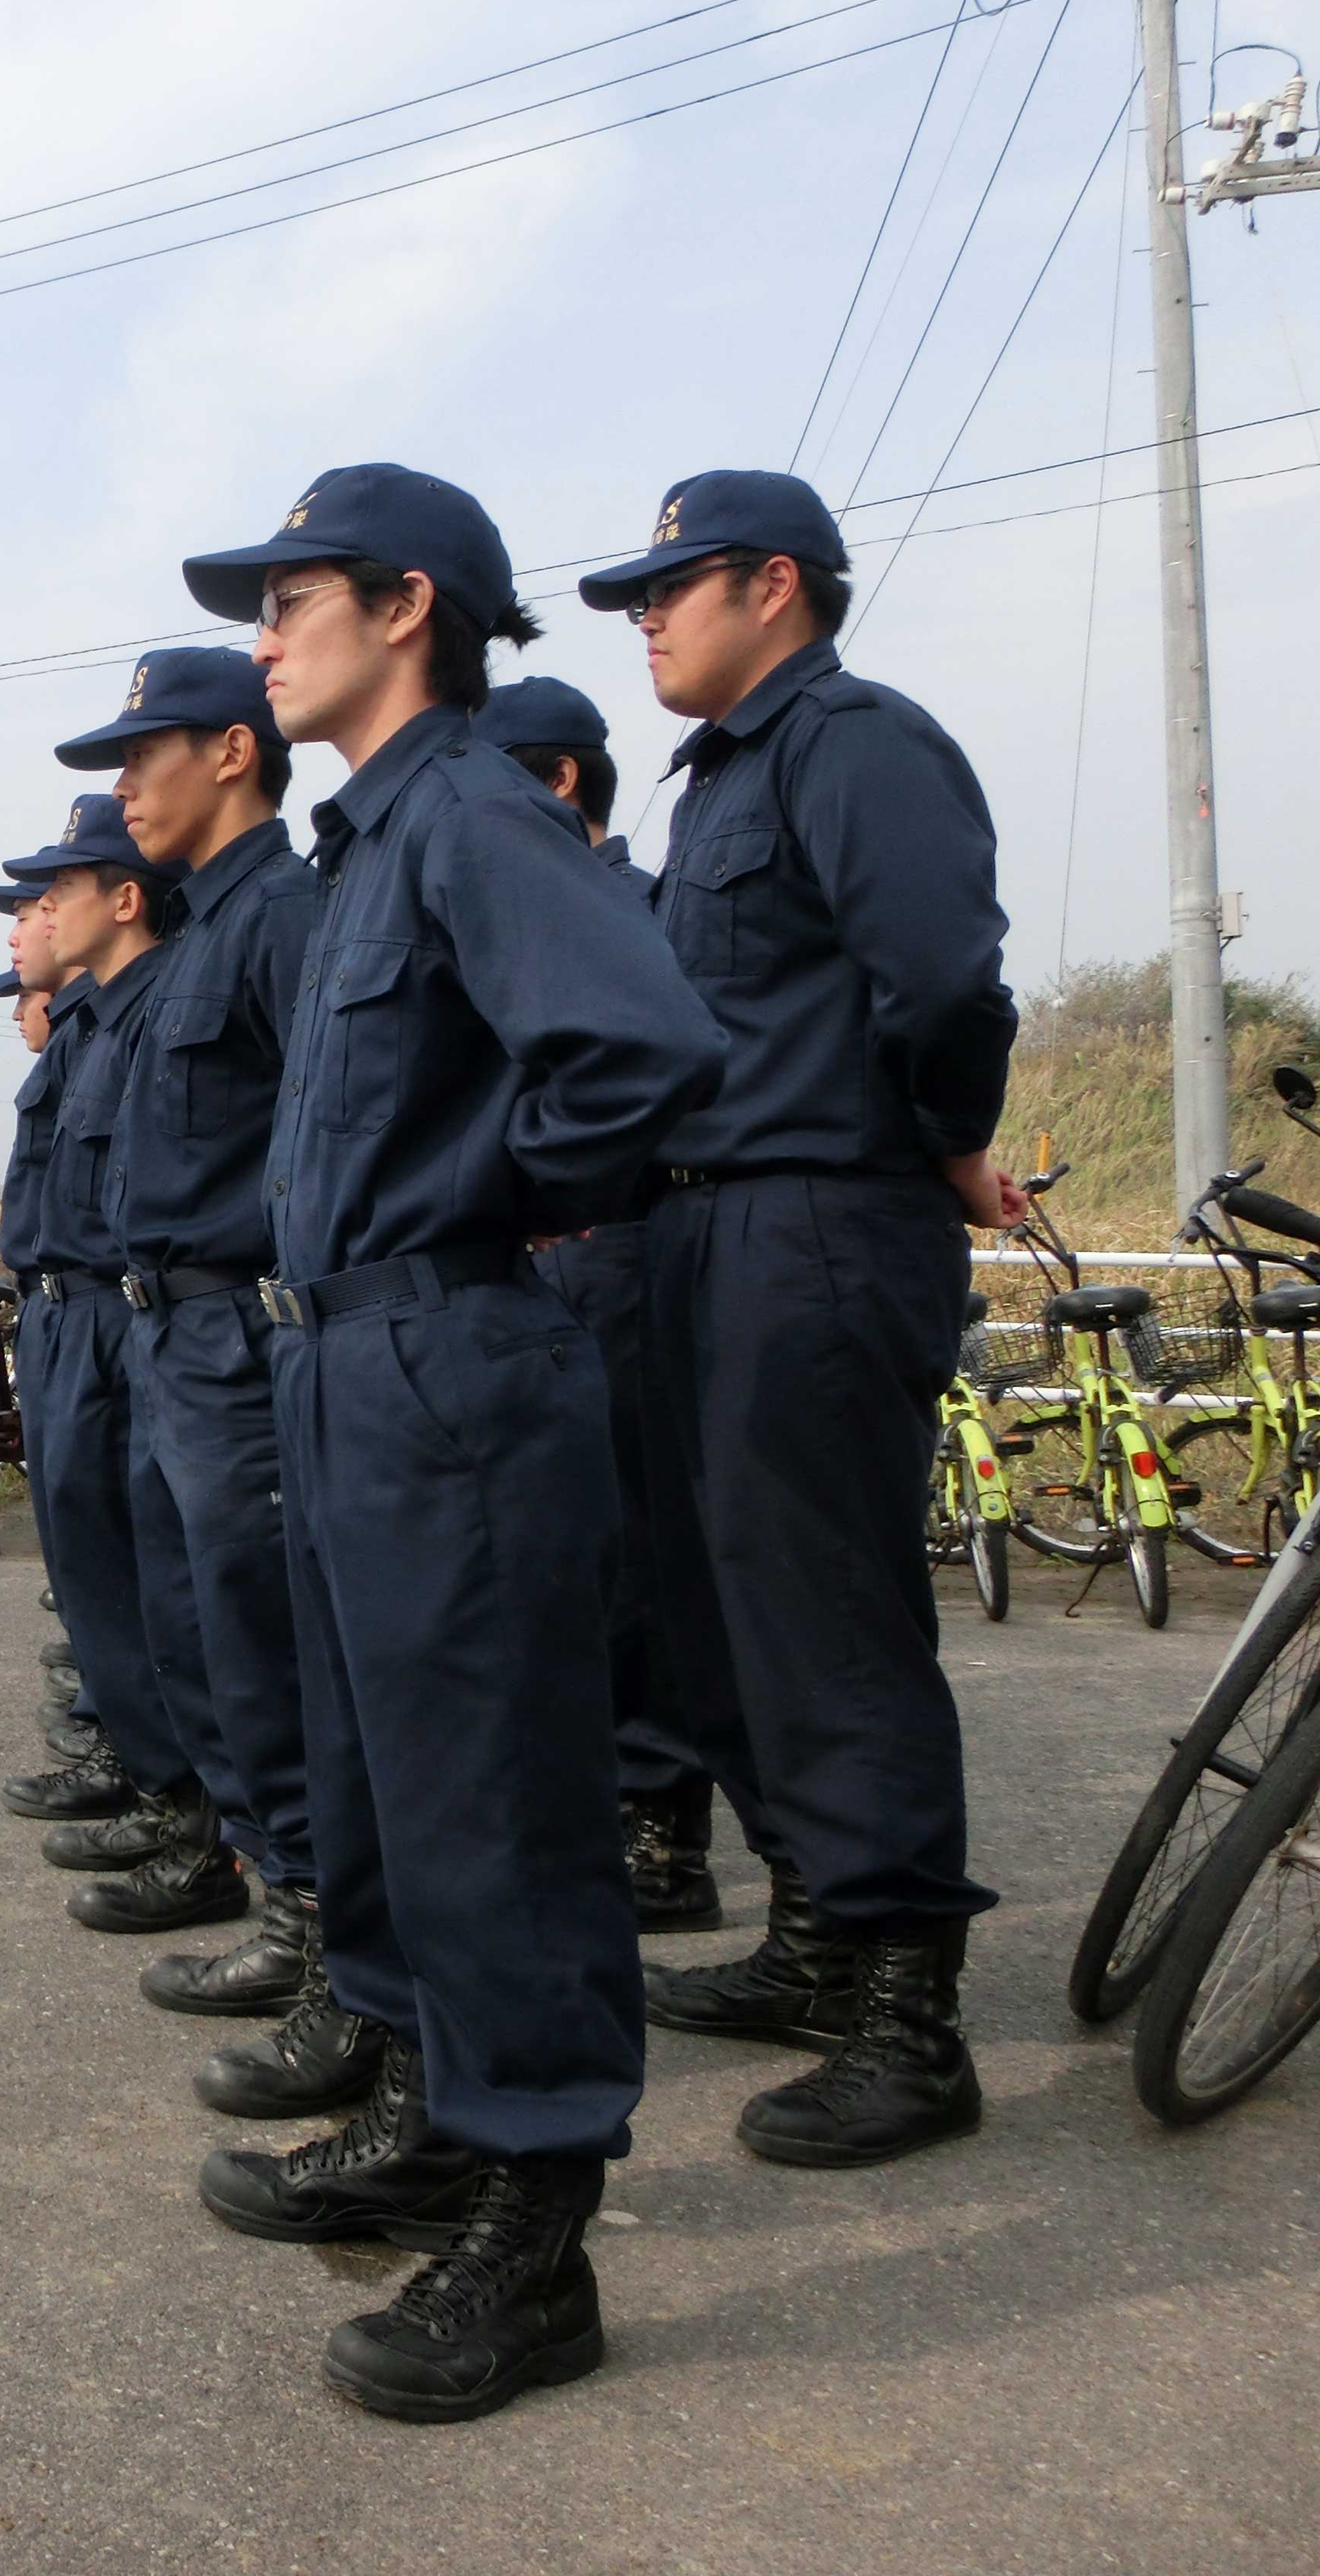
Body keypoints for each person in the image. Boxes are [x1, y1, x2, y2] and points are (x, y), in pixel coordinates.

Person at [174, 465, 727, 2423]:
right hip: (346, 1361)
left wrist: (479, 1196)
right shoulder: (372, 841)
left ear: (406, 605)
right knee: (385, 1779)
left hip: (450, 1353)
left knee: (495, 1798)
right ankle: (427, 2107)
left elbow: (643, 1053)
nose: (264, 638)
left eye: (289, 599)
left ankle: (537, 2223)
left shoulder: (478, 811)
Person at [575, 471, 1022, 2172]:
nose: (643, 620)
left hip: (819, 1214)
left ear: (773, 584)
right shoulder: (718, 783)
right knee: (714, 1608)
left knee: (825, 1611)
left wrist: (945, 1138)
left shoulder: (855, 745)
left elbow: (944, 980)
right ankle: (814, 1931)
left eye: (669, 588)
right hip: (701, 1226)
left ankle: (908, 2015)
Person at [57, 647, 356, 2105]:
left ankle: (317, 1919)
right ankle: (267, 1875)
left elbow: (329, 1134)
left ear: (231, 753)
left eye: (142, 755)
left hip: (238, 1329)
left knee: (264, 1635)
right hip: (167, 1331)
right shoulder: (208, 936)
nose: (124, 787)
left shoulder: (283, 917)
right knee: (198, 1626)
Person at [476, 676, 718, 1933]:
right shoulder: (503, 914)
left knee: (633, 1544)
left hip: (615, 1247)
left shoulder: (631, 909)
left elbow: (657, 1075)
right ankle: (577, 1800)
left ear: (558, 780)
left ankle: (659, 1824)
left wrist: (560, 1181)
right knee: (543, 1551)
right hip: (522, 1266)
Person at [0, 798, 230, 1939]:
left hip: (121, 1317)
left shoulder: (150, 1011)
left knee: (157, 1588)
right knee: (97, 1572)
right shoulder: (95, 1023)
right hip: (66, 1315)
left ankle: (193, 1819)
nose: (28, 921)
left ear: (126, 900)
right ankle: (156, 1787)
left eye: (51, 895)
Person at [0, 889, 103, 1770]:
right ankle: (101, 1685)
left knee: (107, 1527)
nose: (17, 1011)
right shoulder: (71, 1049)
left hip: (100, 1305)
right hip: (57, 1303)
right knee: (77, 1521)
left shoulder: (95, 1040)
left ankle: (125, 1734)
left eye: (22, 999)